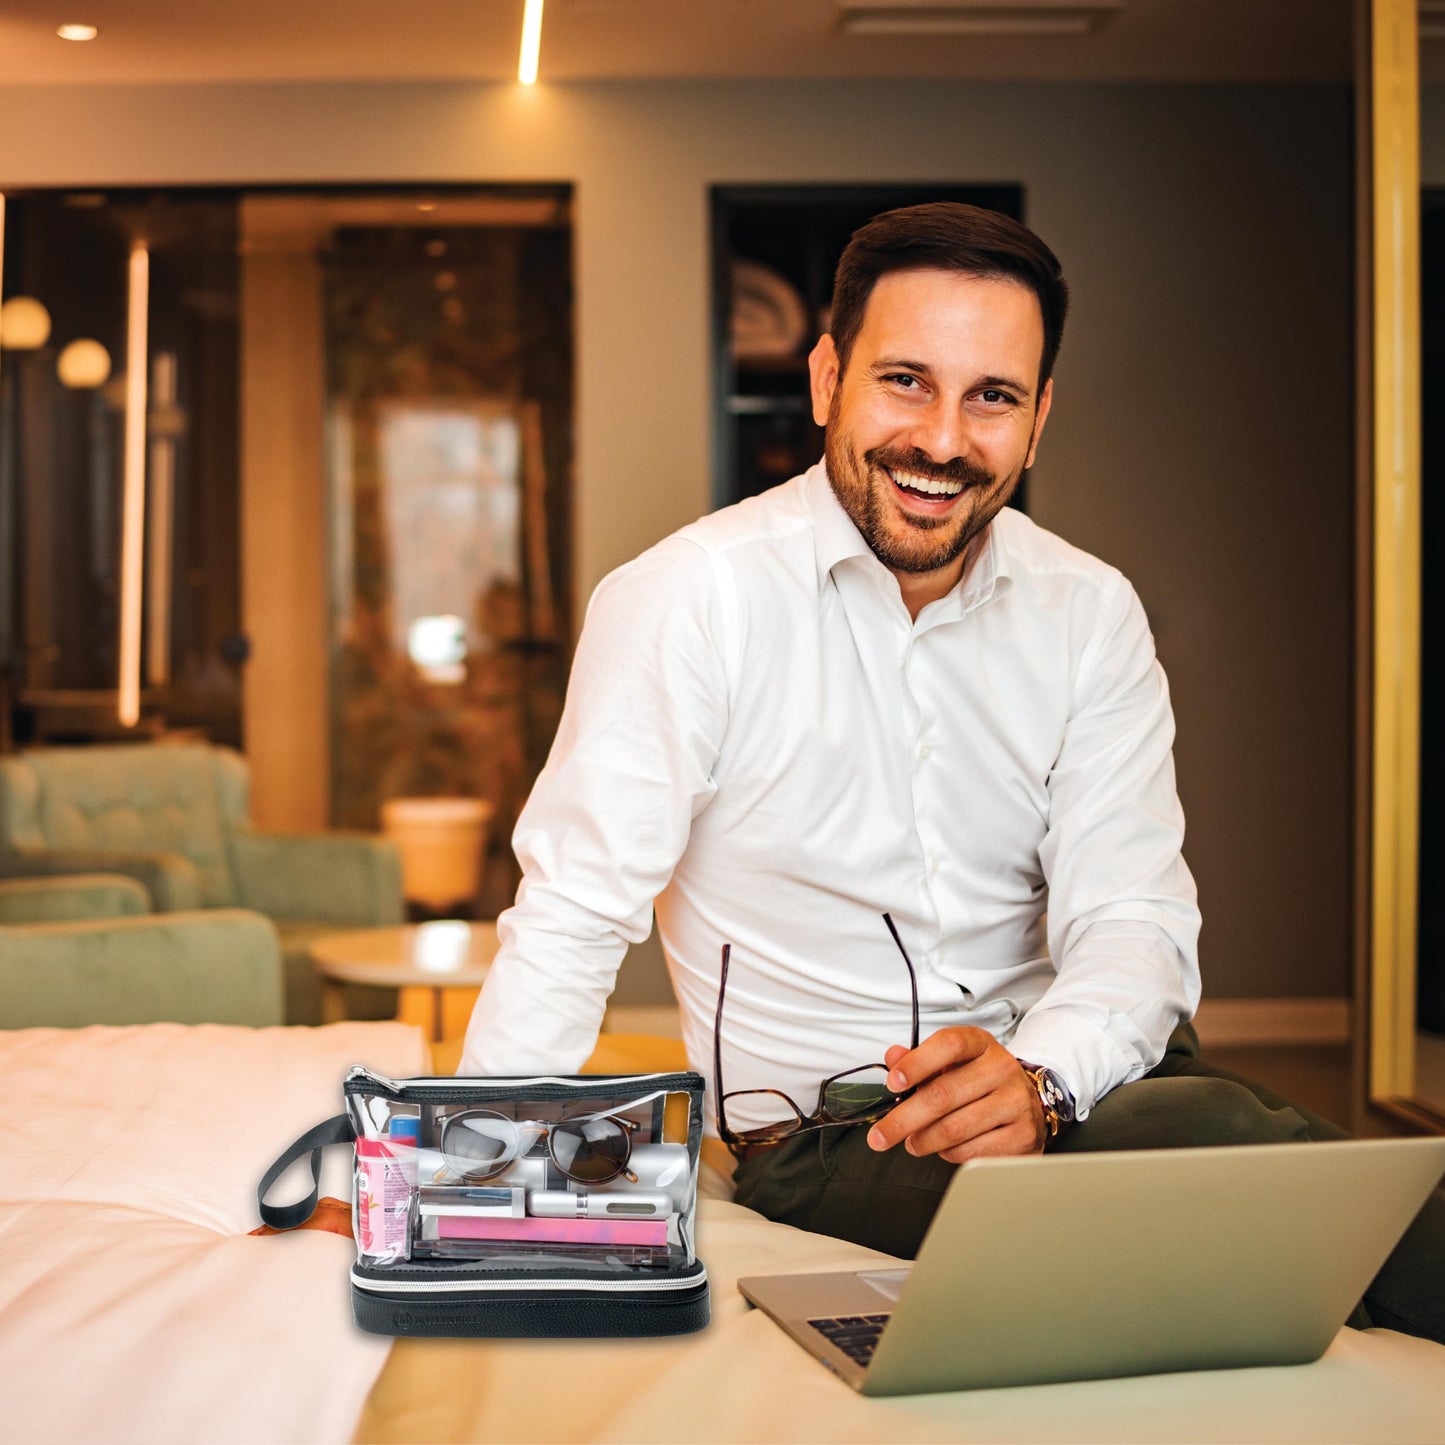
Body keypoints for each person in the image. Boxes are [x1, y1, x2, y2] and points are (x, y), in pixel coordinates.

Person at [462, 202, 1444, 1343]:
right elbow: (575, 911)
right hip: (845, 1137)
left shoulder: (1089, 611)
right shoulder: (687, 601)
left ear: (1037, 422)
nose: (940, 439)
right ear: (826, 377)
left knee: (1216, 1127)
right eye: (904, 380)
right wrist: (473, 1182)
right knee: (1234, 1145)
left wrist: (1037, 1078)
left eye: (992, 396)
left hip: (1089, 1074)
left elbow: (1133, 913)